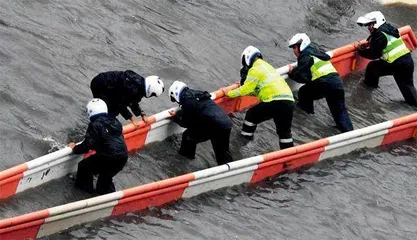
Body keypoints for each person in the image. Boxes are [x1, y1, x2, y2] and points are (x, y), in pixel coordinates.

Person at [225, 46, 295, 149]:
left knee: (251, 115)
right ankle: (289, 156)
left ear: (246, 59)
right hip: (289, 100)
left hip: (275, 101)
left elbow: (246, 89)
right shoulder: (267, 67)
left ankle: (244, 141)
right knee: (284, 132)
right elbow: (261, 89)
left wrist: (229, 93)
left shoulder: (254, 69)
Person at [287, 33, 354, 133]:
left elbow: (303, 77)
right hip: (337, 82)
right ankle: (349, 134)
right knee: (340, 112)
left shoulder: (305, 56)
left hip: (325, 82)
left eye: (295, 47)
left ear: (302, 45)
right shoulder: (316, 52)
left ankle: (305, 116)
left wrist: (292, 72)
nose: (294, 51)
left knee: (303, 92)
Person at [355, 11, 417, 106]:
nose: (368, 27)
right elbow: (377, 39)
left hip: (395, 65)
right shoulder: (389, 28)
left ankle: (367, 90)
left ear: (376, 23)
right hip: (407, 63)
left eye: (370, 25)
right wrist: (368, 42)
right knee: (409, 89)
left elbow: (373, 54)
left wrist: (360, 50)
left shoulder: (379, 35)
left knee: (372, 67)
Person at [68, 98, 128, 195]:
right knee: (105, 178)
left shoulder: (95, 124)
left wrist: (74, 148)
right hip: (123, 156)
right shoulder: (115, 122)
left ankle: (83, 193)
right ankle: (108, 197)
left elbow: (87, 145)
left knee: (84, 166)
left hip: (109, 156)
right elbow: (111, 139)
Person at [168, 81, 233, 165]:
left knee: (188, 136)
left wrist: (175, 117)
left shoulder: (188, 102)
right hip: (226, 122)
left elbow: (185, 123)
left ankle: (184, 160)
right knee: (223, 153)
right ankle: (230, 171)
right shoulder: (198, 94)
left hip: (214, 124)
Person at [90, 70, 165, 128]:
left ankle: (102, 126)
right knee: (110, 112)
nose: (151, 96)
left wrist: (142, 114)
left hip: (108, 86)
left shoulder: (140, 85)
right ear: (150, 90)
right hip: (100, 85)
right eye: (153, 95)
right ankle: (99, 131)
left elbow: (133, 102)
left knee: (112, 111)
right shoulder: (132, 88)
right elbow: (120, 104)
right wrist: (133, 120)